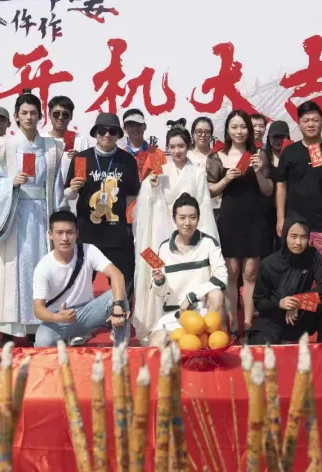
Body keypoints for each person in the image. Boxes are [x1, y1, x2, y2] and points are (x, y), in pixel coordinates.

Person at [0, 93, 66, 343]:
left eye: (33, 113)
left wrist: (59, 220)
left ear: (41, 116)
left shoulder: (52, 147)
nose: (29, 117)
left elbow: (57, 187)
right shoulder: (4, 146)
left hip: (42, 215)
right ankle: (10, 329)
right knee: (12, 269)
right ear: (16, 116)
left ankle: (38, 327)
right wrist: (10, 183)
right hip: (14, 215)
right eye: (24, 113)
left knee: (41, 268)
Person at [132, 127, 219, 342]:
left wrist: (206, 239)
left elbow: (203, 206)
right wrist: (152, 188)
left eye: (181, 146)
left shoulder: (197, 172)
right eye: (172, 147)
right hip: (162, 230)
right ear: (167, 148)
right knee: (157, 274)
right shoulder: (160, 171)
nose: (177, 151)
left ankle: (196, 322)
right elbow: (146, 204)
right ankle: (157, 323)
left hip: (190, 229)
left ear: (188, 146)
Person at [207, 110, 273, 334]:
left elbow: (268, 190)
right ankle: (233, 322)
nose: (239, 131)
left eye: (243, 127)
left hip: (254, 219)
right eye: (234, 127)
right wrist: (226, 179)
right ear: (227, 130)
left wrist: (258, 171)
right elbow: (210, 190)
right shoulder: (217, 157)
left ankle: (248, 323)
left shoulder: (260, 155)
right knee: (232, 272)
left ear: (249, 129)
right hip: (230, 219)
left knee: (251, 273)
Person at [65, 112, 141, 297]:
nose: (107, 134)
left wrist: (115, 208)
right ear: (95, 133)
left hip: (117, 234)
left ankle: (121, 313)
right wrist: (73, 189)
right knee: (80, 284)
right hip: (87, 233)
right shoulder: (81, 159)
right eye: (102, 130)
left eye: (112, 131)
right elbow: (68, 195)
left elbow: (132, 195)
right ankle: (80, 315)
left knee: (122, 283)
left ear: (118, 135)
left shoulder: (127, 161)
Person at [33, 210, 130, 347]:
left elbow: (117, 275)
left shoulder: (88, 250)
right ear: (50, 235)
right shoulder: (43, 266)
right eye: (59, 233)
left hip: (87, 312)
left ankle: (121, 348)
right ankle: (68, 338)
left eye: (70, 232)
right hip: (58, 318)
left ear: (77, 234)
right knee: (43, 341)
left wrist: (118, 306)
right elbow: (38, 309)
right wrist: (57, 317)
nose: (65, 238)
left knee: (119, 294)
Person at [275, 100, 322, 273]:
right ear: (299, 124)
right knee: (296, 274)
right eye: (306, 120)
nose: (310, 124)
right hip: (296, 226)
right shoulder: (289, 152)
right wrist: (280, 219)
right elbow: (281, 186)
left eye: (315, 120)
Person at [144, 194, 227, 345]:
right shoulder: (164, 248)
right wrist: (159, 281)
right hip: (175, 315)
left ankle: (210, 342)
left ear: (198, 218)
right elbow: (160, 292)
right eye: (182, 218)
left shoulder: (209, 243)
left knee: (216, 294)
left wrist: (191, 297)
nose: (187, 223)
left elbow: (222, 278)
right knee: (156, 342)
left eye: (192, 217)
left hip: (203, 314)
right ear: (174, 219)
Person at [251, 219, 322, 344]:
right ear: (285, 237)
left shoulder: (312, 255)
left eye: (303, 237)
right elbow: (259, 301)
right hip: (274, 318)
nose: (298, 242)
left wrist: (299, 300)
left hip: (301, 315)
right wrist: (279, 303)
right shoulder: (268, 264)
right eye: (294, 236)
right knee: (259, 345)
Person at [259, 121, 291, 257]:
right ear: (269, 138)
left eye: (282, 137)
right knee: (265, 249)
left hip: (288, 208)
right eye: (275, 137)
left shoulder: (292, 154)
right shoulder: (263, 156)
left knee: (285, 248)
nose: (278, 141)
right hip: (266, 210)